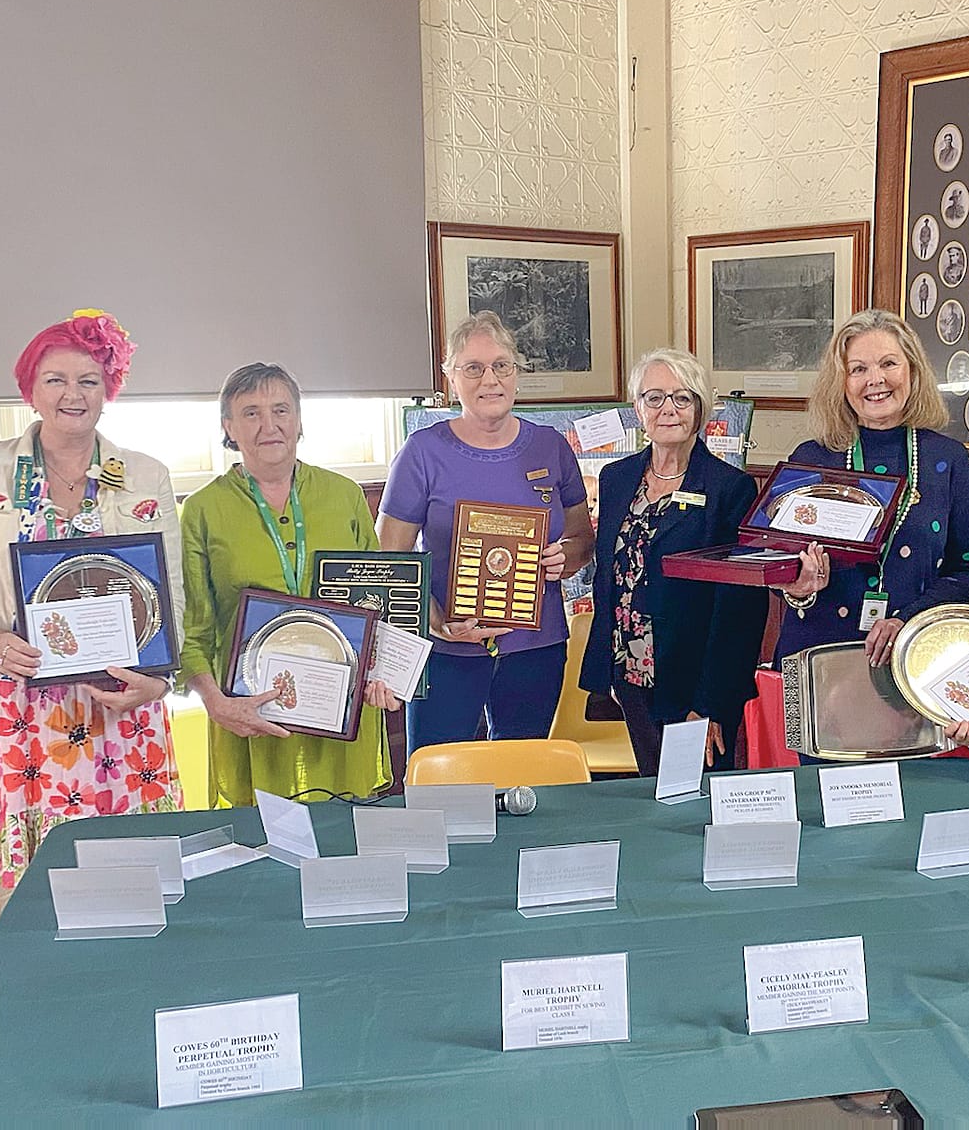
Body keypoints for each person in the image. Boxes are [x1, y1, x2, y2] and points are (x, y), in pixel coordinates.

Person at [0, 310, 182, 894]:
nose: (72, 394)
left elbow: (171, 597)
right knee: (34, 890)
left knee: (132, 885)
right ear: (30, 388)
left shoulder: (144, 475)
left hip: (119, 706)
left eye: (89, 380)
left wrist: (157, 684)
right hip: (16, 708)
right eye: (55, 379)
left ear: (108, 390)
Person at [179, 362, 401, 806]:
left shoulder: (344, 495)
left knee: (344, 844)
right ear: (228, 427)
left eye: (281, 410)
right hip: (250, 707)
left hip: (342, 704)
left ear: (299, 421)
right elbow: (195, 627)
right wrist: (215, 702)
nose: (269, 425)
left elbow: (381, 599)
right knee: (262, 848)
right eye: (251, 413)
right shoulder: (203, 510)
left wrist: (385, 671)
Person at [775, 309, 969, 747]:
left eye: (888, 364)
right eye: (858, 369)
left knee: (908, 803)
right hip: (818, 658)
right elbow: (777, 558)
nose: (875, 379)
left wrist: (906, 621)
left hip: (913, 662)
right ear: (841, 383)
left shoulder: (947, 459)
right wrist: (796, 584)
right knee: (822, 801)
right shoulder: (810, 458)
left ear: (911, 369)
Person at [380, 311, 594, 749]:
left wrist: (564, 557)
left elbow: (582, 538)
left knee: (519, 778)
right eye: (472, 368)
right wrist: (437, 623)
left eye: (501, 365)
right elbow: (390, 561)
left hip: (536, 646)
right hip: (446, 648)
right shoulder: (422, 452)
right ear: (451, 380)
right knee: (438, 779)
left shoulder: (550, 446)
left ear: (517, 374)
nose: (489, 379)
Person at [578, 351, 768, 774]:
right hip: (628, 670)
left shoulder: (729, 489)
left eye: (682, 398)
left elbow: (738, 609)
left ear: (700, 409)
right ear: (637, 408)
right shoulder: (616, 478)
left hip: (695, 679)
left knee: (697, 802)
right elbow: (608, 575)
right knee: (652, 787)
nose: (668, 409)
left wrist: (712, 702)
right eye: (655, 398)